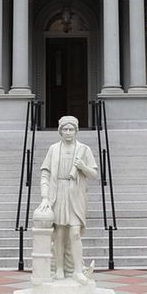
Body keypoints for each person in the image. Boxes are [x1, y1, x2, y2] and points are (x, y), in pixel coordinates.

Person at [35, 115, 99, 283]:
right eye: (65, 129)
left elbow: (94, 174)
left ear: (76, 131)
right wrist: (44, 197)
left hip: (75, 194)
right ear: (60, 131)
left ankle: (78, 270)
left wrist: (83, 167)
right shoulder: (54, 149)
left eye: (71, 129)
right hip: (58, 193)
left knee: (75, 233)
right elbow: (45, 173)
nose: (68, 132)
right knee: (59, 234)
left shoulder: (84, 149)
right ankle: (59, 269)